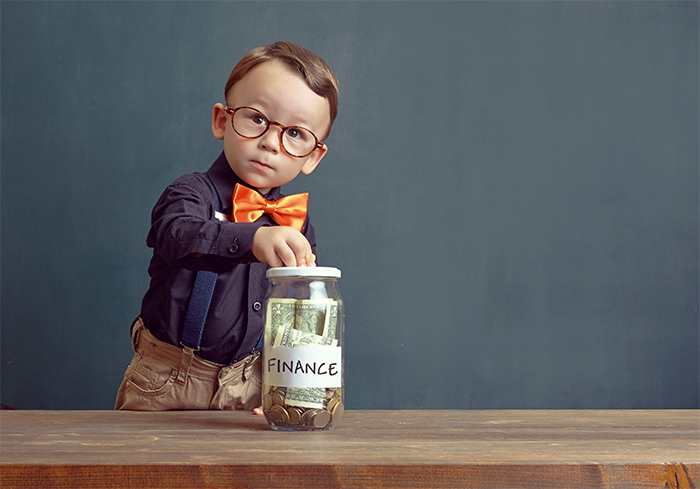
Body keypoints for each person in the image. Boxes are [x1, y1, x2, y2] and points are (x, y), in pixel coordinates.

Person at [115, 41, 339, 412]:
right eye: (257, 118)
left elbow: (298, 309)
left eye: (296, 134)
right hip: (168, 379)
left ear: (312, 156)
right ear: (222, 120)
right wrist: (252, 238)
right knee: (151, 470)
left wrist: (290, 387)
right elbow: (176, 237)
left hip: (252, 382)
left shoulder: (294, 221)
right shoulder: (190, 192)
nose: (270, 142)